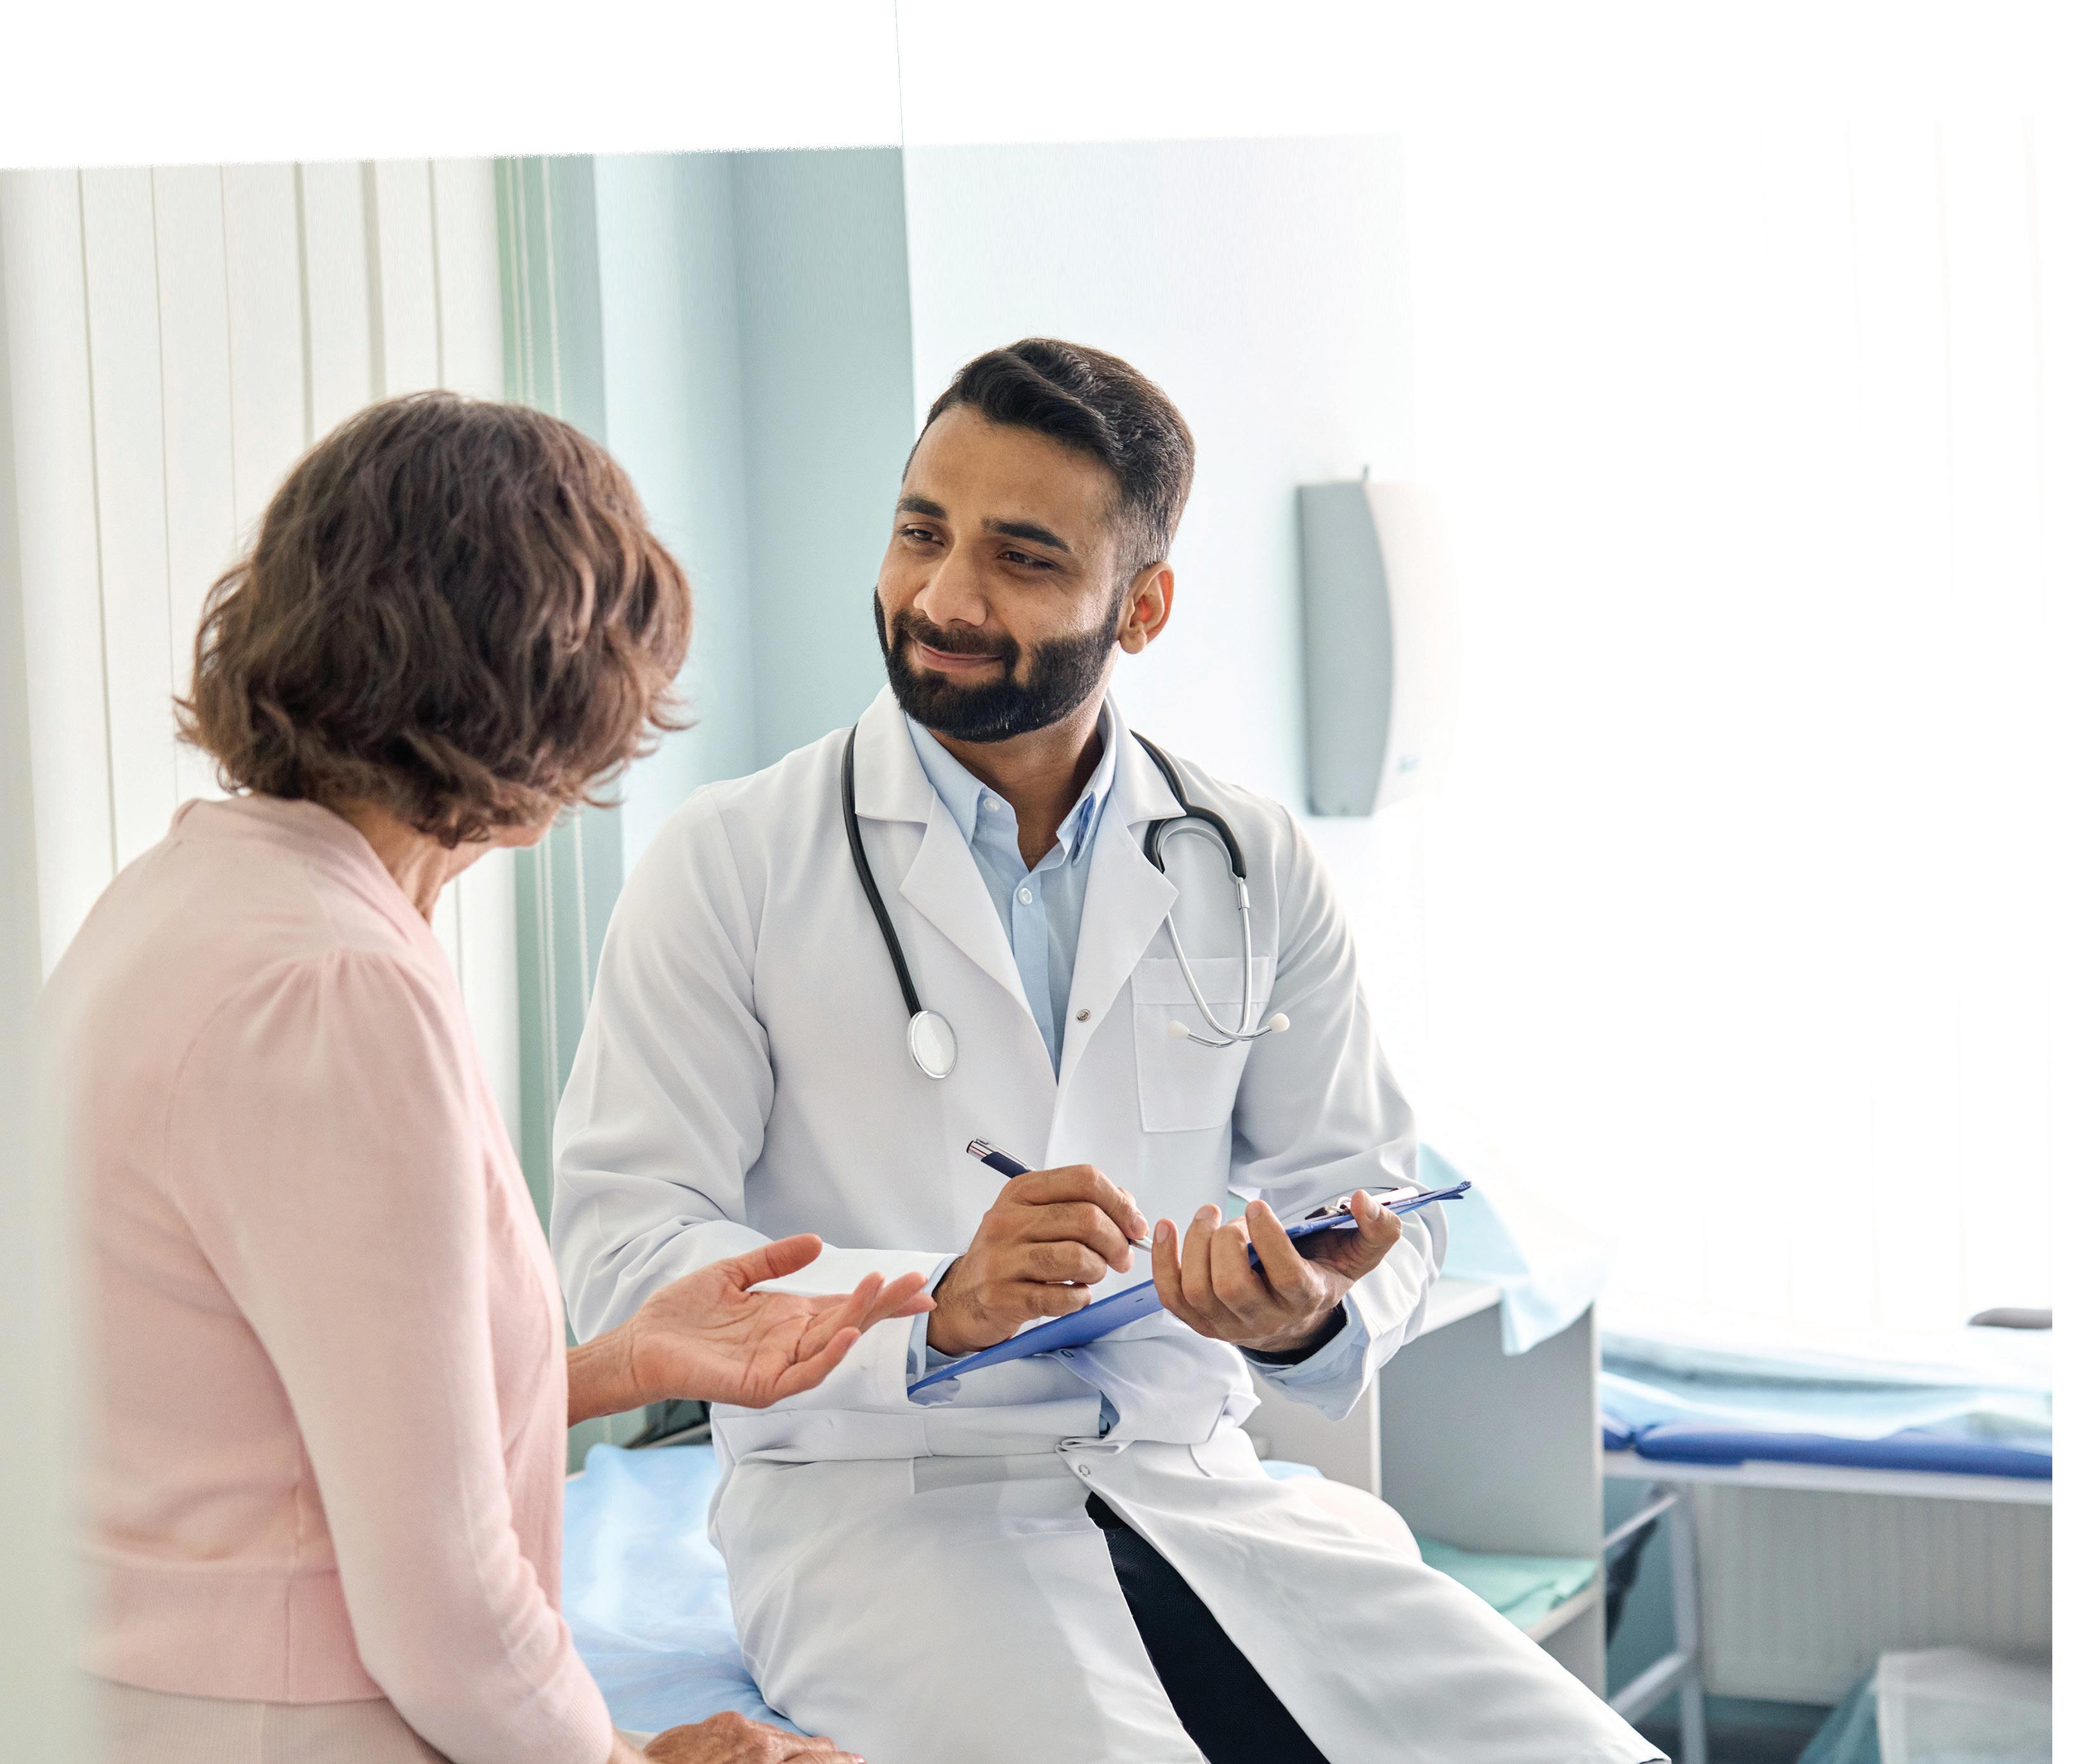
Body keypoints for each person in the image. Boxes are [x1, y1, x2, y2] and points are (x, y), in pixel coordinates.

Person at [552, 341, 1662, 1762]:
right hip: (877, 1504)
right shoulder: (732, 862)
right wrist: (936, 1303)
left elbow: (1372, 1200)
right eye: (921, 531)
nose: (944, 597)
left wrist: (1303, 1310)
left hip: (1188, 1476)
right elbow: (624, 1253)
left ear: (1142, 606)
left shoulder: (1248, 859)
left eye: (1021, 558)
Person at [41, 393, 927, 1764]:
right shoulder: (336, 988)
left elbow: (285, 1423)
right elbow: (445, 1609)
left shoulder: (179, 898)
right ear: (547, 694)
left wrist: (623, 1363)